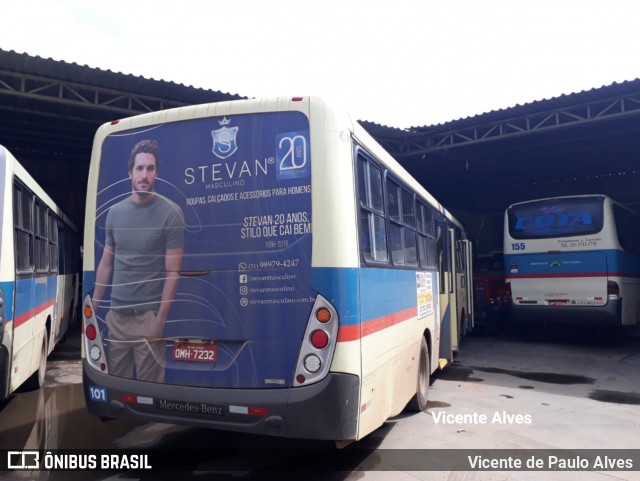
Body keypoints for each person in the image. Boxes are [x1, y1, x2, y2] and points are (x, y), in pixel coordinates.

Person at [93, 139, 185, 382]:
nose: (144, 174)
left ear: (157, 172)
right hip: (116, 319)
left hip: (148, 319)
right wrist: (94, 308)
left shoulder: (171, 212)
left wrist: (160, 321)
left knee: (150, 391)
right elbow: (106, 264)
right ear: (130, 173)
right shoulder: (114, 213)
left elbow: (173, 271)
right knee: (117, 389)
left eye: (150, 168)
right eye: (139, 168)